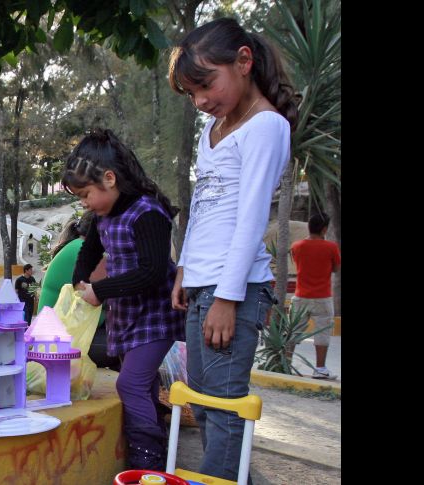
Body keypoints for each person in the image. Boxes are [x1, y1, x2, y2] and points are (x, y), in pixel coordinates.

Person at [168, 17, 298, 483]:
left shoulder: (265, 127)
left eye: (205, 85)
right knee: (204, 404)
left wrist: (227, 298)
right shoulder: (214, 129)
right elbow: (204, 206)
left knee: (223, 410)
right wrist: (184, 267)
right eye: (192, 94)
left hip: (232, 291)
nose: (201, 101)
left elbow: (250, 220)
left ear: (243, 61)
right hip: (202, 284)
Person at [62, 128, 186, 471]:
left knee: (129, 383)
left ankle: (146, 462)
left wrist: (99, 291)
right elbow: (88, 251)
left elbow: (152, 272)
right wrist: (79, 282)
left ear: (110, 178)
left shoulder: (149, 213)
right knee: (141, 385)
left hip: (156, 315)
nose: (84, 203)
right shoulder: (104, 215)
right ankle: (154, 464)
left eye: (86, 194)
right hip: (129, 315)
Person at [37, 213, 119, 372]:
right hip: (57, 345)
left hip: (58, 339)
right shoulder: (82, 250)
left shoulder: (77, 247)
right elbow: (116, 292)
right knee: (133, 344)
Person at [290, 212, 340, 379]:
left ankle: (285, 363)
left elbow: (296, 263)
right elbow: (336, 268)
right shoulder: (331, 247)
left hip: (300, 296)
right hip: (322, 297)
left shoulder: (297, 246)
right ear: (324, 229)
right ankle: (320, 369)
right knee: (322, 333)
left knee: (293, 330)